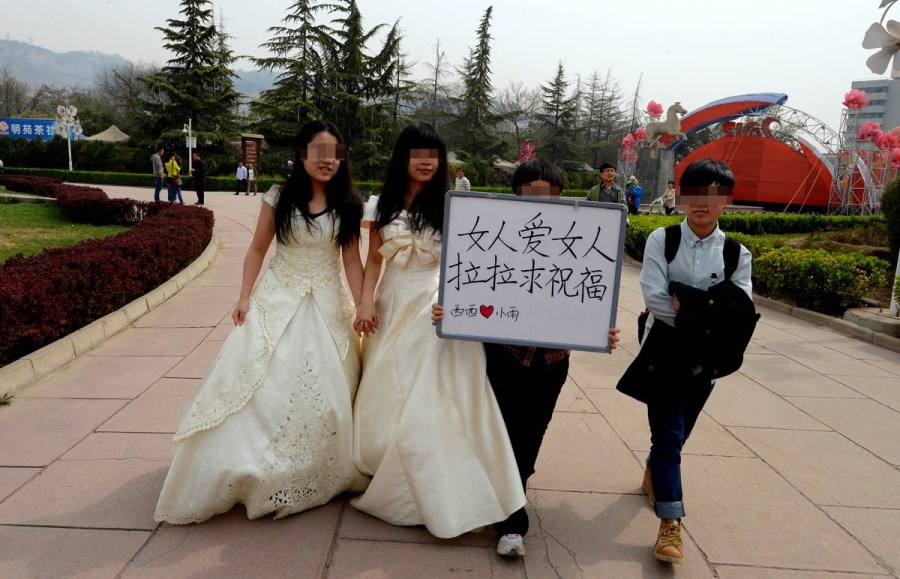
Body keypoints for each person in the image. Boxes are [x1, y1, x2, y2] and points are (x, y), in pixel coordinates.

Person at [154, 120, 369, 524]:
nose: (328, 162)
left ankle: (305, 469)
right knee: (257, 384)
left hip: (328, 306)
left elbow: (351, 261)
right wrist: (243, 296)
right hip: (277, 299)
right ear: (303, 153)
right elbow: (256, 249)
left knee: (325, 392)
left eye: (335, 154)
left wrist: (362, 306)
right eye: (319, 152)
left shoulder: (349, 203)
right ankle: (244, 466)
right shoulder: (278, 197)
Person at [431, 158, 621, 558]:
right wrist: (448, 309)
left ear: (558, 192)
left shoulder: (580, 231)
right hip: (502, 354)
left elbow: (587, 293)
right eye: (530, 190)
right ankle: (513, 520)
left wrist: (598, 328)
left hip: (552, 362)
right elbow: (466, 280)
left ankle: (513, 492)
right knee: (500, 430)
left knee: (533, 431)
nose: (539, 198)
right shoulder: (491, 226)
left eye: (547, 191)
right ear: (516, 193)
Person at [351, 122, 525, 539]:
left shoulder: (455, 204)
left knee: (435, 379)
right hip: (392, 300)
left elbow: (468, 263)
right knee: (388, 381)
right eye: (417, 154)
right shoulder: (380, 205)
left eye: (434, 154)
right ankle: (381, 457)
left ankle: (433, 464)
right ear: (403, 159)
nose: (426, 162)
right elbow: (374, 260)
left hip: (437, 301)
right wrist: (365, 299)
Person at [631, 158, 752, 564]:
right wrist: (707, 309)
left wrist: (690, 301)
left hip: (708, 360)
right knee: (668, 437)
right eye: (695, 192)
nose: (702, 202)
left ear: (726, 201)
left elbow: (740, 312)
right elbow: (654, 298)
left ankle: (653, 471)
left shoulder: (737, 254)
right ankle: (671, 523)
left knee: (678, 436)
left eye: (713, 194)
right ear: (683, 196)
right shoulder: (661, 241)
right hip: (662, 352)